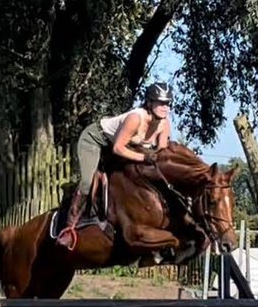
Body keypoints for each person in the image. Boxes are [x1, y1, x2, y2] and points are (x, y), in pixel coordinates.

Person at [56, 82, 174, 249]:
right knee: (88, 182)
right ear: (149, 103)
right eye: (160, 103)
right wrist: (143, 157)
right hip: (96, 140)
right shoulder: (136, 118)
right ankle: (68, 228)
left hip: (121, 148)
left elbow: (161, 152)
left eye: (168, 103)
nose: (165, 107)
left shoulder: (164, 124)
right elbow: (118, 148)